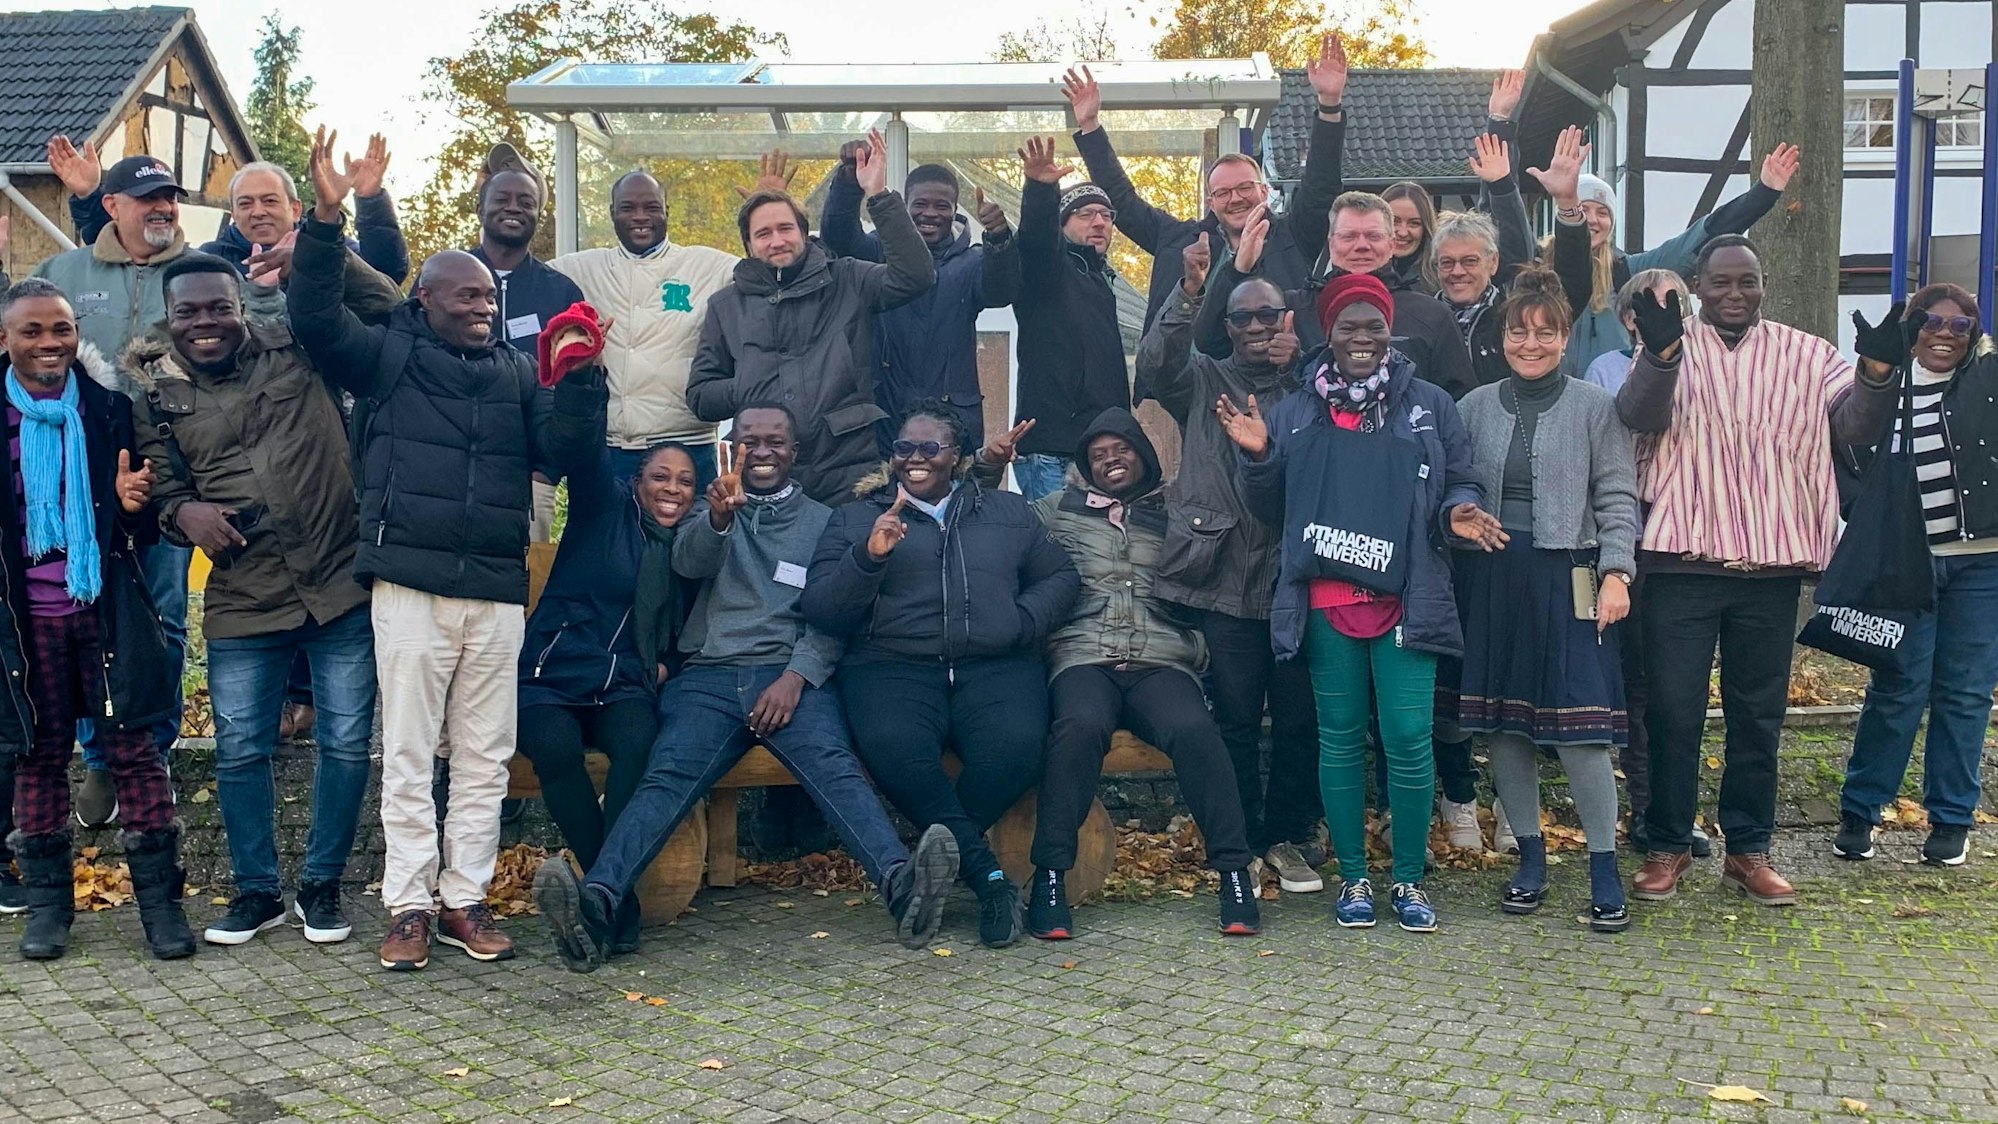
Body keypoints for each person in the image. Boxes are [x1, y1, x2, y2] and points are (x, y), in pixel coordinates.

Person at [533, 404, 963, 969]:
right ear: (732, 446)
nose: (762, 451)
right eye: (749, 440)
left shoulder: (825, 522)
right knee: (666, 778)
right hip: (707, 680)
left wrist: (795, 678)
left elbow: (835, 614)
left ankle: (903, 886)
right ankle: (597, 905)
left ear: (795, 452)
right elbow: (689, 565)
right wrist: (717, 519)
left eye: (775, 441)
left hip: (790, 679)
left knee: (835, 766)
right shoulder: (710, 506)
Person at [289, 129, 552, 970]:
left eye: (488, 299)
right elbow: (314, 318)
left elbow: (564, 453)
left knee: (483, 757)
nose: (481, 306)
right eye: (465, 295)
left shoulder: (516, 372)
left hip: (496, 589)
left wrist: (582, 379)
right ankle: (407, 904)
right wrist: (328, 222)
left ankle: (462, 900)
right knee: (406, 753)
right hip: (409, 584)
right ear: (427, 300)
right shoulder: (388, 358)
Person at [1618, 234, 1897, 907]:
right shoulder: (1667, 341)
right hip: (1683, 561)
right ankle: (1667, 845)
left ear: (1763, 284)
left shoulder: (1809, 353)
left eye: (1747, 282)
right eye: (1721, 283)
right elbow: (1636, 416)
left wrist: (1879, 372)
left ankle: (1748, 849)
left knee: (1756, 718)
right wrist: (1659, 358)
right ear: (1699, 285)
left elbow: (1855, 429)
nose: (1734, 294)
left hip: (1771, 566)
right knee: (1675, 715)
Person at [1221, 272, 1498, 934]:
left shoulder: (1427, 403)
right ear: (1328, 333)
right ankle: (1354, 879)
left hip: (1408, 597)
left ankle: (1407, 879)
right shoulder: (1293, 411)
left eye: (1374, 324)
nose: (1363, 337)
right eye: (1349, 325)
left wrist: (1461, 509)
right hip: (1326, 602)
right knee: (1340, 741)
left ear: (1389, 332)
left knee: (1406, 738)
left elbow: (1461, 475)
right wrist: (1259, 459)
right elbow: (1268, 509)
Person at [123, 255, 378, 949]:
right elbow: (164, 491)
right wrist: (186, 515)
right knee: (239, 750)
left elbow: (383, 307)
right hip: (244, 590)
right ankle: (257, 892)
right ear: (168, 320)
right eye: (189, 312)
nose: (205, 323)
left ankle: (322, 887)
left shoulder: (299, 343)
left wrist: (326, 256)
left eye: (217, 307)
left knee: (348, 743)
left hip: (339, 580)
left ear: (241, 305)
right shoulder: (154, 395)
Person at [804, 401, 1080, 948]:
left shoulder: (1007, 511)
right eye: (905, 448)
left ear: (956, 456)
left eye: (930, 448)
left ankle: (941, 867)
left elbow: (1062, 578)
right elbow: (822, 609)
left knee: (1019, 747)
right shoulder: (856, 517)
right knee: (894, 750)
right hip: (892, 666)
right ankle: (993, 883)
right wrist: (868, 557)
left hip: (995, 664)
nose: (915, 458)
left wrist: (1021, 622)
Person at [0, 277, 190, 962]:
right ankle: (49, 909)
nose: (50, 343)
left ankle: (161, 910)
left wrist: (127, 503)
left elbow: (143, 532)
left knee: (135, 754)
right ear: (7, 339)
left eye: (61, 329)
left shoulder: (110, 408)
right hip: (25, 627)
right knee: (39, 759)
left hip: (106, 614)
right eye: (33, 331)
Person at [1452, 267, 1640, 932]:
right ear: (1503, 338)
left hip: (1574, 578)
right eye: (1519, 331)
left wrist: (1618, 570)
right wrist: (1462, 510)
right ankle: (1530, 860)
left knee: (1583, 732)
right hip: (1496, 578)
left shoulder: (1595, 406)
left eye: (1546, 332)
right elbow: (1453, 486)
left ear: (1566, 338)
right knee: (1506, 728)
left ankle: (1603, 867)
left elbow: (1619, 495)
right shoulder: (1472, 408)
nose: (1531, 342)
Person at [1028, 407, 1261, 938]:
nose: (1111, 460)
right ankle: (1049, 878)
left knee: (1196, 731)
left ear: (1144, 454)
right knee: (1078, 729)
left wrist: (1201, 645)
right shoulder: (1055, 511)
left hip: (1161, 658)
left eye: (1122, 449)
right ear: (1085, 466)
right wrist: (984, 467)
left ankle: (1234, 873)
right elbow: (992, 530)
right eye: (1098, 454)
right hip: (1085, 656)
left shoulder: (1179, 510)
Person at [1136, 266, 1326, 892]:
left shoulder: (1309, 386)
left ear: (1286, 319)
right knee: (1238, 718)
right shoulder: (1204, 380)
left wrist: (1300, 368)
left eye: (1266, 315)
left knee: (1301, 720)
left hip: (1297, 579)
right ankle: (1241, 838)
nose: (1253, 327)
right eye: (1241, 317)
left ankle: (1291, 835)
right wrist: (1188, 294)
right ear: (1226, 327)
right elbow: (1159, 362)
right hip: (1220, 578)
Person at [32, 151, 195, 831]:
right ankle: (101, 755)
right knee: (88, 611)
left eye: (170, 198)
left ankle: (151, 753)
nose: (163, 208)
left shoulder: (201, 270)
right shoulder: (65, 274)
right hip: (83, 472)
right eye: (148, 198)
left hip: (174, 468)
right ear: (114, 206)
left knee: (163, 611)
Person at [517, 356, 696, 955]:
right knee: (556, 750)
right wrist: (584, 378)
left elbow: (690, 622)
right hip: (555, 669)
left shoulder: (690, 546)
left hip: (624, 680)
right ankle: (614, 895)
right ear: (637, 480)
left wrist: (668, 659)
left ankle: (600, 896)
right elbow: (584, 450)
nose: (672, 489)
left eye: (684, 482)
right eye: (660, 478)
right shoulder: (603, 505)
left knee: (638, 746)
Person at [1834, 284, 1998, 868]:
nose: (1944, 333)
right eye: (1931, 320)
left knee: (1965, 692)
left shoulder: (1986, 383)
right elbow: (1847, 452)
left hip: (1982, 560)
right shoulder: (1882, 389)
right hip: (1907, 560)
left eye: (1961, 325)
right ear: (1911, 326)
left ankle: (1952, 819)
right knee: (1899, 686)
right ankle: (1861, 809)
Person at [687, 130, 935, 506]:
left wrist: (879, 196)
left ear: (804, 232)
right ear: (749, 245)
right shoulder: (726, 305)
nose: (777, 240)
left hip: (849, 475)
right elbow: (701, 396)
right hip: (764, 479)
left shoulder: (847, 277)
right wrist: (750, 384)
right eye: (763, 233)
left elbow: (916, 276)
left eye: (785, 228)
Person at [1060, 34, 1348, 342]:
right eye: (1223, 193)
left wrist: (1329, 105)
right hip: (1187, 387)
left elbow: (1320, 186)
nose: (1236, 198)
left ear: (1264, 191)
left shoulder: (1294, 236)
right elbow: (1122, 201)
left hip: (1276, 385)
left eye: (1245, 188)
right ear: (1211, 201)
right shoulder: (1175, 240)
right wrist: (1090, 126)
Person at [549, 170, 738, 487]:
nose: (640, 217)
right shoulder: (578, 269)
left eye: (651, 207)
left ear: (667, 211)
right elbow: (519, 274)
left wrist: (767, 202)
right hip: (608, 448)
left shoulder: (708, 266)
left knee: (690, 538)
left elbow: (769, 270)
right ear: (612, 213)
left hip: (688, 446)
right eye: (628, 207)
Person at [821, 152, 1019, 452]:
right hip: (885, 413)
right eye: (920, 204)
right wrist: (848, 182)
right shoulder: (877, 250)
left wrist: (999, 237)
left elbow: (1000, 292)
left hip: (952, 417)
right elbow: (838, 240)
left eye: (942, 206)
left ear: (954, 211)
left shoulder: (972, 260)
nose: (930, 213)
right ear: (904, 205)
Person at [1198, 191, 1477, 400]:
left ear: (1392, 244)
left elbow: (1459, 403)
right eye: (1349, 236)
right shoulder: (1294, 309)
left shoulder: (1432, 315)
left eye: (1373, 236)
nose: (1361, 246)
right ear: (1331, 243)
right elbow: (1211, 342)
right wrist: (1236, 271)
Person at [1556, 143, 1800, 372]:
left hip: (1611, 398)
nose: (1593, 219)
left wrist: (1763, 194)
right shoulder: (1539, 269)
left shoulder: (1626, 271)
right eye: (1583, 209)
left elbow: (1697, 240)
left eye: (1602, 212)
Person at [50, 134, 411, 286]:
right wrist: (89, 197)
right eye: (245, 203)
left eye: (270, 201)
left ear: (296, 207)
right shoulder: (210, 261)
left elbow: (388, 272)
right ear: (232, 213)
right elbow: (129, 252)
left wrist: (370, 199)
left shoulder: (334, 251)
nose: (258, 212)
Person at [1007, 137, 1129, 500]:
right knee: (1054, 554)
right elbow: (1037, 240)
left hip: (1098, 450)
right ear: (1062, 223)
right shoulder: (1048, 271)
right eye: (1086, 214)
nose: (1100, 222)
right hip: (1051, 453)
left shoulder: (1102, 281)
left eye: (1107, 215)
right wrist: (1041, 190)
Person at [1437, 128, 1587, 393]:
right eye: (1447, 262)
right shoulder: (1425, 317)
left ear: (1493, 262)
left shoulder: (1512, 312)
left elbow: (1573, 284)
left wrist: (1567, 202)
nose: (1457, 271)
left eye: (1470, 261)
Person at [1581, 269, 1690, 396]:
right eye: (1653, 304)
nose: (1664, 312)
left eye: (1673, 303)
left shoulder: (1698, 363)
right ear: (1629, 319)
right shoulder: (1604, 369)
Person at [1381, 182, 1441, 297]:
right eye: (1394, 221)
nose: (1403, 232)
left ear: (1425, 228)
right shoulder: (1359, 274)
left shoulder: (1441, 278)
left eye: (1414, 223)